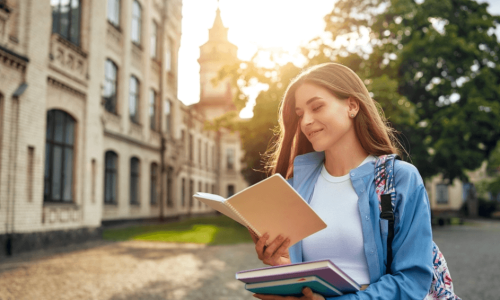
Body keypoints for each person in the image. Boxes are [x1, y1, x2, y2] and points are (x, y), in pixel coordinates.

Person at [249, 63, 433, 300]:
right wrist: (282, 265)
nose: (306, 121)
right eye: (300, 114)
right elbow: (303, 281)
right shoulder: (295, 187)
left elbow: (412, 280)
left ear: (352, 106)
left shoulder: (400, 179)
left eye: (317, 107)